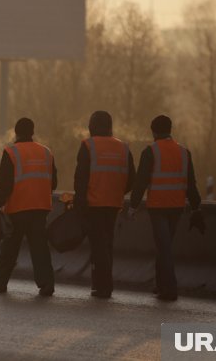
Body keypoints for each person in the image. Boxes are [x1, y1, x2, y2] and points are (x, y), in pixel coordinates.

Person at [129, 115, 202, 301]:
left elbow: (141, 182)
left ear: (153, 131)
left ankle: (170, 289)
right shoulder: (184, 152)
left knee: (164, 247)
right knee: (165, 245)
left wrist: (133, 206)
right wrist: (196, 207)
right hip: (177, 206)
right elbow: (191, 184)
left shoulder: (150, 151)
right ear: (170, 129)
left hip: (158, 206)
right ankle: (161, 285)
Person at [0, 117, 56, 296]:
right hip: (41, 207)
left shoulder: (11, 152)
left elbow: (5, 185)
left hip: (18, 208)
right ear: (32, 132)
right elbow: (53, 183)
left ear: (16, 132)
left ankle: (0, 281)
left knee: (9, 247)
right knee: (40, 248)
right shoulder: (46, 152)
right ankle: (46, 284)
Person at [73, 111, 135, 299]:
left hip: (94, 203)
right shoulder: (123, 148)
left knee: (98, 245)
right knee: (107, 244)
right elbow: (132, 178)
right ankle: (100, 284)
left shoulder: (87, 146)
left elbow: (80, 179)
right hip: (114, 203)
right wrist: (116, 192)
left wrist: (80, 203)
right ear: (110, 126)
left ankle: (103, 286)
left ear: (91, 126)